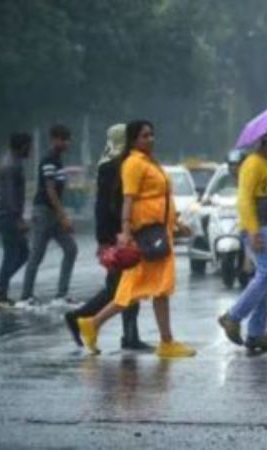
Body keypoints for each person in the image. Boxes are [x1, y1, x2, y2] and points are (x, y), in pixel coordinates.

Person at [77, 120, 196, 359]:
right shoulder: (133, 164)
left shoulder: (148, 162)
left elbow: (160, 199)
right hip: (145, 238)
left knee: (159, 289)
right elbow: (128, 201)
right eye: (144, 136)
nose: (150, 139)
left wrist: (175, 224)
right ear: (132, 140)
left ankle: (165, 341)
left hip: (159, 233)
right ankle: (92, 324)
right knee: (131, 290)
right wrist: (126, 234)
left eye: (152, 134)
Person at [64, 124, 150, 351]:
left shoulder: (117, 163)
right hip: (116, 234)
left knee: (126, 286)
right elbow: (106, 206)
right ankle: (79, 317)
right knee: (120, 289)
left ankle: (130, 336)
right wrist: (110, 237)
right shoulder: (112, 167)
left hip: (120, 232)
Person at [217, 129, 267, 353]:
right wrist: (253, 230)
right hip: (258, 229)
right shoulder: (252, 163)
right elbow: (245, 199)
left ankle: (256, 334)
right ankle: (233, 316)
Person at [19, 124, 78, 307]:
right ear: (54, 139)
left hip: (52, 213)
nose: (67, 143)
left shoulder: (57, 160)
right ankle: (25, 297)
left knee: (71, 249)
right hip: (44, 213)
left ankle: (61, 295)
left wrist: (60, 215)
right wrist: (63, 216)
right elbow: (50, 190)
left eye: (68, 139)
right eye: (63, 139)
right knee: (37, 254)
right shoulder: (48, 160)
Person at [0, 132, 32, 305]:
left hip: (4, 215)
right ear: (22, 146)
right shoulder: (12, 165)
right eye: (29, 146)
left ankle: (0, 286)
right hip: (8, 216)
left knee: (17, 253)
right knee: (16, 253)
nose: (31, 150)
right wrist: (18, 219)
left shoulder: (9, 160)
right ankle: (0, 287)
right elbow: (10, 195)